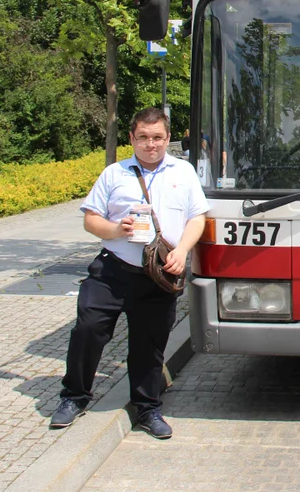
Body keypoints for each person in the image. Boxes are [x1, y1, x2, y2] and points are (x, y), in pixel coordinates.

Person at [50, 107, 209, 439]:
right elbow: (90, 219)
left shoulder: (184, 172)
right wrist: (114, 229)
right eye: (143, 138)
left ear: (168, 139)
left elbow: (198, 218)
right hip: (113, 270)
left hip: (158, 275)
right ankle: (74, 396)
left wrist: (182, 251)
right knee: (88, 329)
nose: (150, 145)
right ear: (132, 138)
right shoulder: (114, 174)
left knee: (148, 346)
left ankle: (148, 407)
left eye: (157, 138)